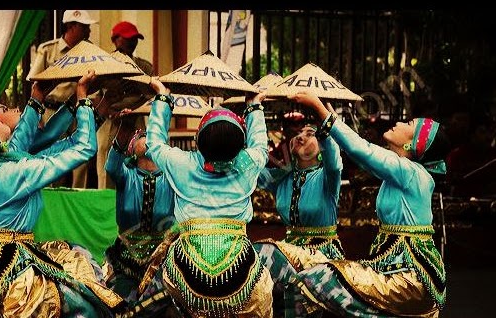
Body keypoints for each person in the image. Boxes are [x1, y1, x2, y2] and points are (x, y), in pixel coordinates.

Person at [0, 71, 125, 317]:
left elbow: (30, 138)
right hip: (11, 267)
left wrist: (40, 98)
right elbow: (83, 147)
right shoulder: (15, 173)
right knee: (82, 291)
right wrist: (82, 98)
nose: (1, 122)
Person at [288, 91, 449, 317]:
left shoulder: (411, 172)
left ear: (413, 143)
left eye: (409, 123)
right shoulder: (402, 172)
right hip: (390, 271)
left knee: (316, 279)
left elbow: (362, 150)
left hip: (408, 281)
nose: (399, 121)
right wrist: (329, 118)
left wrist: (321, 110)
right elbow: (364, 151)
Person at [144, 77, 274, 317]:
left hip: (185, 270)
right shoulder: (247, 164)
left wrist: (163, 97)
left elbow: (153, 144)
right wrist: (254, 105)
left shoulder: (181, 163)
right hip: (241, 271)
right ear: (240, 146)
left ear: (197, 141)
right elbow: (261, 147)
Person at [254, 109, 345, 316]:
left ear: (321, 145)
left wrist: (324, 123)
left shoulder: (328, 178)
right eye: (299, 133)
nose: (301, 136)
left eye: (310, 133)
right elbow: (251, 173)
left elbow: (335, 161)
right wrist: (253, 114)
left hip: (322, 255)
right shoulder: (282, 178)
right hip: (289, 253)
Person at [102, 111, 178, 316]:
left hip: (161, 261)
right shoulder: (125, 176)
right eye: (141, 134)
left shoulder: (173, 179)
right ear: (131, 149)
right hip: (125, 260)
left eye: (151, 135)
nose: (145, 135)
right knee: (118, 307)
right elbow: (111, 165)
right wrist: (124, 129)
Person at [26, 9, 94, 189]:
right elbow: (34, 82)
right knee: (51, 156)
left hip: (76, 112)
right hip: (51, 111)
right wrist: (36, 115)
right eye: (84, 27)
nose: (89, 31)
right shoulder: (49, 50)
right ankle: (52, 195)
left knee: (80, 158)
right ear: (71, 27)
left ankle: (77, 195)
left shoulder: (89, 52)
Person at [96, 21, 154, 190]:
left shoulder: (144, 67)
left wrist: (133, 110)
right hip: (108, 120)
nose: (132, 42)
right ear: (115, 39)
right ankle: (106, 203)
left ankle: (135, 200)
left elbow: (151, 96)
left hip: (135, 118)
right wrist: (108, 110)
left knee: (138, 159)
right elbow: (93, 95)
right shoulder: (101, 64)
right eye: (128, 38)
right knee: (107, 163)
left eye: (135, 38)